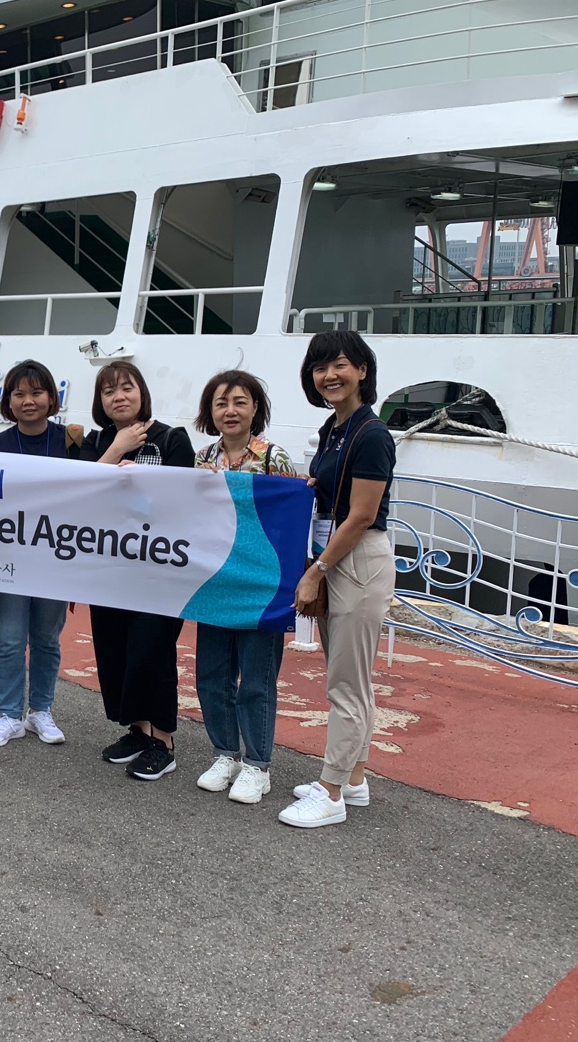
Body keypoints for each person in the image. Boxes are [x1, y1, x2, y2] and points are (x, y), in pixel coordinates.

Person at [280, 331, 396, 829]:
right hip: (339, 554)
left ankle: (330, 793)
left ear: (362, 371)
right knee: (351, 678)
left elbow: (362, 515)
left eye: (341, 365)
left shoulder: (371, 435)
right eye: (320, 367)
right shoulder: (335, 428)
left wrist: (316, 571)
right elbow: (337, 496)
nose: (329, 375)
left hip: (355, 558)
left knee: (345, 685)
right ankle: (354, 779)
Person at [79, 361, 195, 782]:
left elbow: (180, 498)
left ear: (142, 392)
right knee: (116, 650)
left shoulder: (172, 439)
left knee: (153, 649)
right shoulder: (95, 442)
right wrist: (117, 449)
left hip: (158, 567)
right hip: (108, 566)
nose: (119, 396)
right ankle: (139, 730)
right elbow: (80, 491)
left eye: (126, 387)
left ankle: (164, 741)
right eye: (109, 391)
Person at [191, 369, 301, 804]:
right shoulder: (202, 458)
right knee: (212, 675)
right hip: (215, 582)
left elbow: (292, 524)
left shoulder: (275, 458)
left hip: (261, 585)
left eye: (240, 402)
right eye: (221, 403)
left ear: (256, 408)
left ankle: (258, 764)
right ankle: (225, 755)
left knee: (257, 678)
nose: (230, 410)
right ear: (210, 411)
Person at [0, 359, 83, 748]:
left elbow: (95, 487)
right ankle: (9, 715)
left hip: (56, 557)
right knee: (7, 638)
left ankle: (40, 710)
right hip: (8, 559)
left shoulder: (73, 440)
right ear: (8, 401)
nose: (28, 401)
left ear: (52, 397)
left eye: (37, 392)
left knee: (46, 638)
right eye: (19, 394)